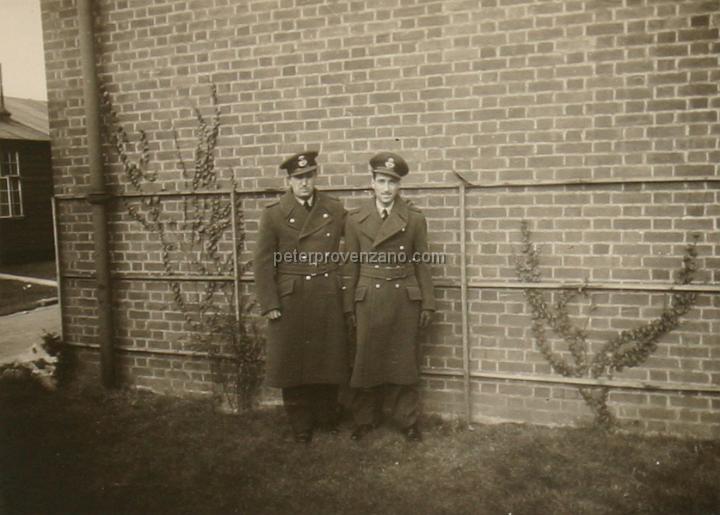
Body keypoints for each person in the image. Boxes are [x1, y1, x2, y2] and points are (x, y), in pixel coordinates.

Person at [254, 150, 349, 443]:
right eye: (299, 178)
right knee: (293, 362)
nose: (305, 183)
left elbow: (358, 232)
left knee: (327, 358)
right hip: (291, 296)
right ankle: (301, 426)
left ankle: (326, 417)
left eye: (309, 176)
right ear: (289, 181)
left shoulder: (333, 208)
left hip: (325, 292)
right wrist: (270, 302)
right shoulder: (274, 214)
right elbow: (263, 261)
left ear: (315, 176)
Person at [343, 151, 435, 442]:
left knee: (404, 362)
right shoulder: (356, 219)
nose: (386, 189)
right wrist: (349, 306)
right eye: (381, 181)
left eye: (392, 183)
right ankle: (364, 420)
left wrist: (428, 303)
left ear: (399, 187)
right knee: (365, 360)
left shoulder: (414, 219)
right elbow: (350, 266)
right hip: (369, 296)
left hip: (403, 298)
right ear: (371, 182)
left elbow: (422, 263)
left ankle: (406, 420)